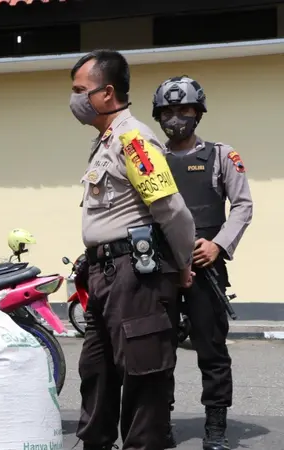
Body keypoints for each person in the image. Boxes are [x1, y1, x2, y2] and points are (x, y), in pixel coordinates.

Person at [69, 49, 196, 450]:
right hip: (104, 273)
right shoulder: (105, 141)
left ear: (107, 94)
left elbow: (173, 212)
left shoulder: (134, 139)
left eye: (79, 90)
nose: (73, 99)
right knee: (97, 371)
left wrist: (183, 264)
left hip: (134, 275)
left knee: (143, 376)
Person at [152, 76, 253, 450]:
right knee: (158, 352)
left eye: (184, 110)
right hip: (160, 270)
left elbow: (243, 205)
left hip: (207, 269)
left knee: (211, 349)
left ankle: (215, 428)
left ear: (198, 113)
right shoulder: (152, 160)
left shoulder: (222, 156)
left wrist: (219, 246)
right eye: (168, 112)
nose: (176, 117)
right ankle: (159, 424)